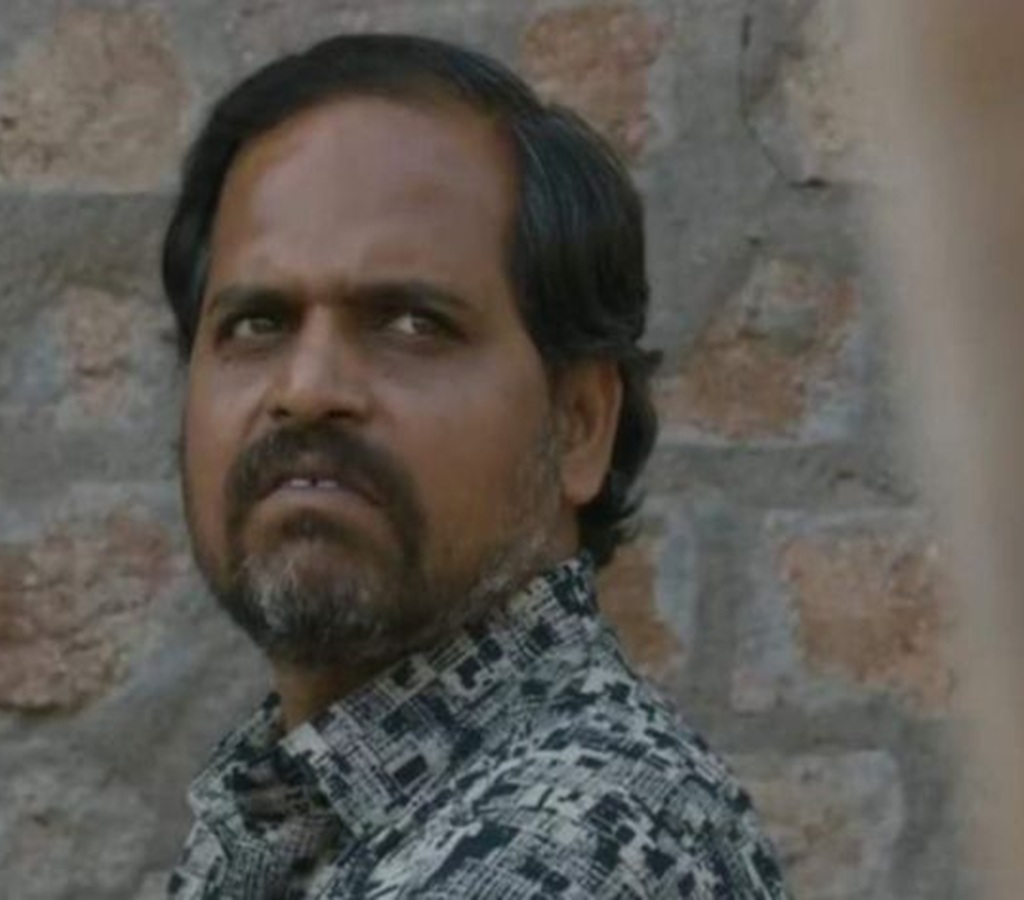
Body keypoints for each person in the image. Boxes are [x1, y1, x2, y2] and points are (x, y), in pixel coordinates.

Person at [161, 33, 786, 899]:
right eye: (258, 323)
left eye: (412, 324)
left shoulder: (569, 850)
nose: (306, 390)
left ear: (578, 426)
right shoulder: (318, 813)